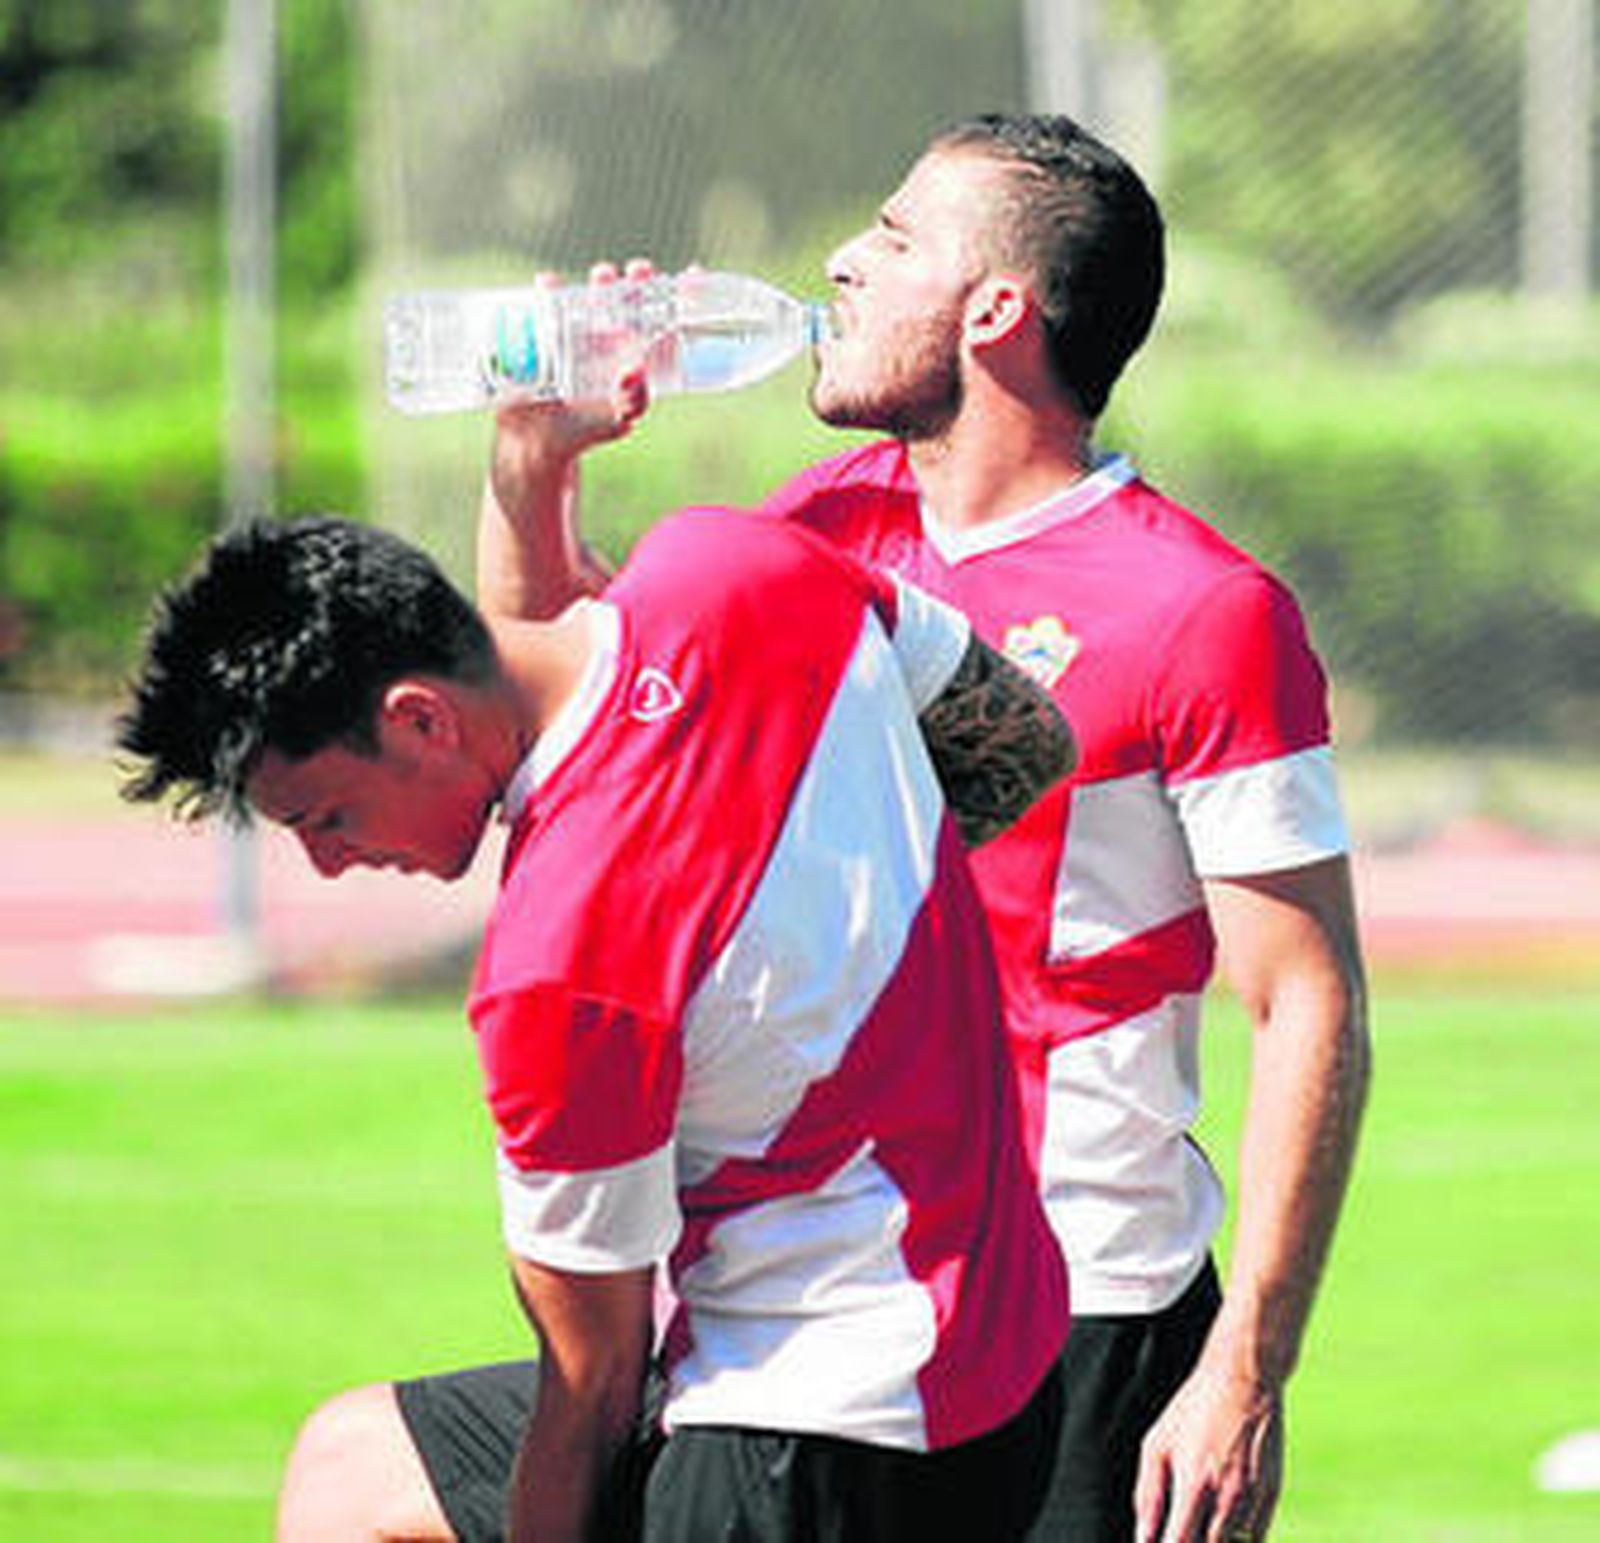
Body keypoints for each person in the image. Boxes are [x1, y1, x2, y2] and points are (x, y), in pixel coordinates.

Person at [481, 112, 1371, 1542]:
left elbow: (1306, 994)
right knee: (357, 1468)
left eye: (894, 237)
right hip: (829, 1292)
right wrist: (534, 469)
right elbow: (557, 715)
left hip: (1083, 1304)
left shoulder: (1206, 610)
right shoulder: (813, 531)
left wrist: (1243, 1365)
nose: (842, 260)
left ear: (995, 310)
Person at [116, 504, 1078, 1541]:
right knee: (352, 1466)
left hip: (803, 1436)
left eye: (327, 818)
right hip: (1013, 1366)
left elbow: (593, 1388)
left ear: (421, 719)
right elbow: (1028, 744)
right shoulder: (738, 564)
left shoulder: (558, 963)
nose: (329, 863)